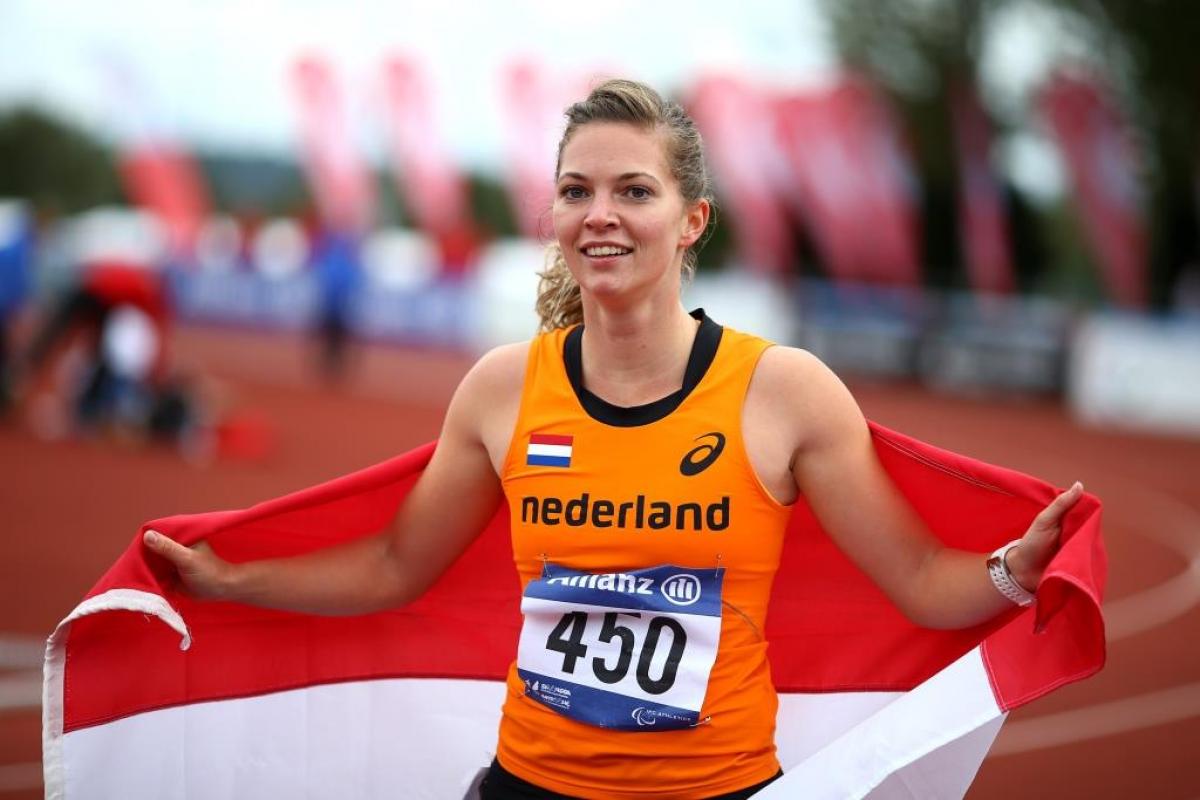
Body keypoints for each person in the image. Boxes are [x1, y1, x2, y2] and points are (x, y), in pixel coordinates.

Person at [143, 79, 1084, 800]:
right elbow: (396, 564)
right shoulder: (506, 388)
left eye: (635, 190)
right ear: (552, 220)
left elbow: (920, 580)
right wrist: (231, 579)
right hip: (530, 787)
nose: (601, 213)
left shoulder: (781, 393)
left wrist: (1015, 569)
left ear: (691, 222)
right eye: (576, 190)